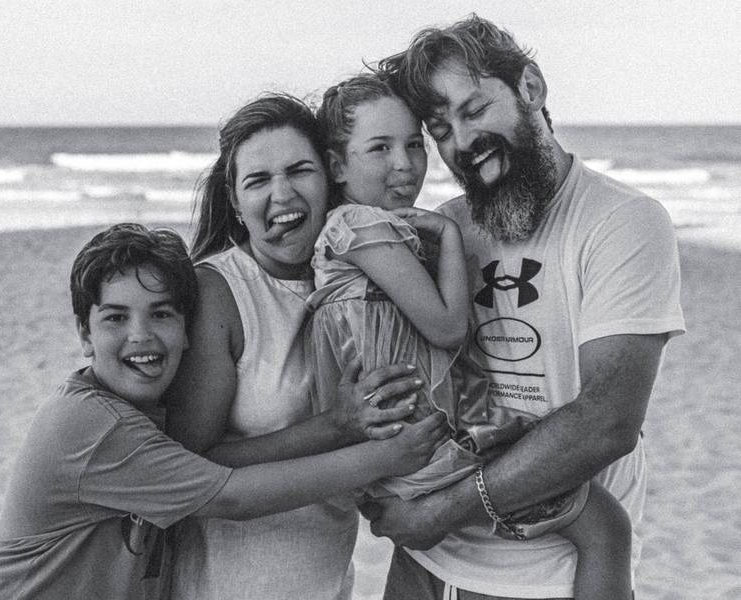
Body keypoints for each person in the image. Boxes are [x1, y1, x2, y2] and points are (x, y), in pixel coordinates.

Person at [361, 14, 686, 599]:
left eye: (474, 110)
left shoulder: (622, 221)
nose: (460, 142)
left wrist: (442, 510)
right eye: (440, 128)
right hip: (432, 563)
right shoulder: (450, 230)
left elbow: (607, 422)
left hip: (552, 574)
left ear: (530, 88)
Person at [0, 223, 446, 600]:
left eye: (162, 313)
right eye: (115, 317)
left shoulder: (143, 414)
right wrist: (387, 458)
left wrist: (336, 425)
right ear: (85, 335)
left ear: (188, 328)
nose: (141, 336)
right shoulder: (94, 425)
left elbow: (217, 462)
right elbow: (232, 496)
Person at [311, 73, 637, 599]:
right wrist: (449, 233)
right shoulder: (362, 227)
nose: (405, 163)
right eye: (379, 148)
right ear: (337, 164)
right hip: (426, 441)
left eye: (415, 143)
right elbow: (445, 327)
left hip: (417, 431)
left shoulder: (363, 229)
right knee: (605, 526)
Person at [164, 94, 428, 599]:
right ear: (236, 201)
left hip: (326, 582)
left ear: (329, 176)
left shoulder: (362, 279)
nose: (282, 194)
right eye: (258, 180)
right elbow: (187, 468)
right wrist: (335, 426)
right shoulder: (218, 293)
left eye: (299, 171)